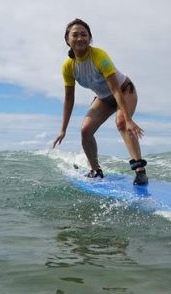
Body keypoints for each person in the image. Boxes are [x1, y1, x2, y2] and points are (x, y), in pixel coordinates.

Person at [53, 18, 148, 185]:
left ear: (90, 38)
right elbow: (69, 98)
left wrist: (128, 119)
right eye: (75, 35)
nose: (80, 38)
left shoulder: (99, 56)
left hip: (124, 91)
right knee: (86, 130)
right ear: (67, 39)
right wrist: (63, 129)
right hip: (103, 98)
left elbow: (115, 89)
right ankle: (95, 170)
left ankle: (140, 171)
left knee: (121, 123)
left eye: (84, 34)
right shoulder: (68, 66)